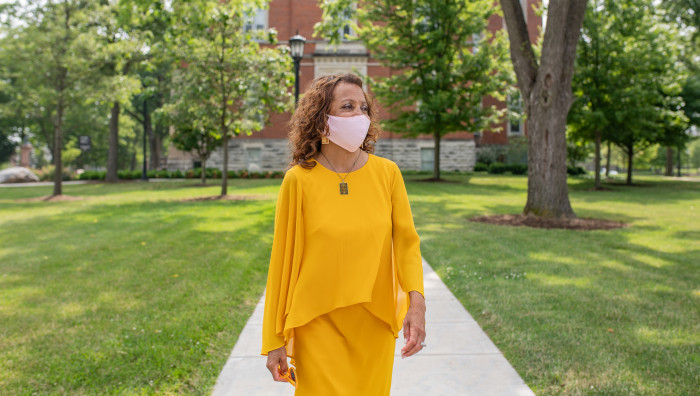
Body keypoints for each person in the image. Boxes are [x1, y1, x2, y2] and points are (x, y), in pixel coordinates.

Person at [261, 73, 426, 395]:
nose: (360, 115)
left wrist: (416, 305)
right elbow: (282, 262)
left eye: (363, 107)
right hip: (316, 320)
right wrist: (273, 339)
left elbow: (407, 244)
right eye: (347, 106)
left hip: (374, 320)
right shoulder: (298, 181)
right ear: (322, 122)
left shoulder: (388, 174)